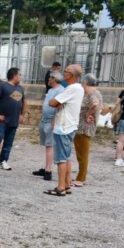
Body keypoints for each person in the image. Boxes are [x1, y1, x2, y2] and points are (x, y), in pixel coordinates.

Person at [45, 64, 84, 196]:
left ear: (72, 75)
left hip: (63, 126)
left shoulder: (71, 89)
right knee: (67, 157)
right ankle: (67, 185)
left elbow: (52, 103)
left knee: (61, 158)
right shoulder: (78, 88)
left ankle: (61, 187)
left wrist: (57, 102)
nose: (64, 73)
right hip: (70, 125)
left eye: (66, 71)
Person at [0, 67, 26, 171]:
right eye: (19, 75)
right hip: (2, 121)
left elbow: (24, 101)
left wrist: (22, 114)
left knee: (9, 142)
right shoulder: (2, 86)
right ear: (14, 76)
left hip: (14, 120)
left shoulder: (20, 88)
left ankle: (3, 161)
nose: (21, 77)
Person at [32, 71, 64, 181]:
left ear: (54, 79)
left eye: (50, 78)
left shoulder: (61, 90)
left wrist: (55, 120)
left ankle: (48, 171)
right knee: (47, 146)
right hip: (44, 120)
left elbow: (60, 106)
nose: (48, 80)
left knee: (50, 146)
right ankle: (45, 167)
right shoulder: (50, 90)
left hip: (51, 121)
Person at [72, 74, 102, 187]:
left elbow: (94, 104)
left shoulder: (92, 93)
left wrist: (88, 113)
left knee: (82, 154)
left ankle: (81, 178)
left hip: (84, 128)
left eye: (82, 82)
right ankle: (80, 176)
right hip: (84, 127)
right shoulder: (95, 92)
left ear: (85, 82)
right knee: (81, 153)